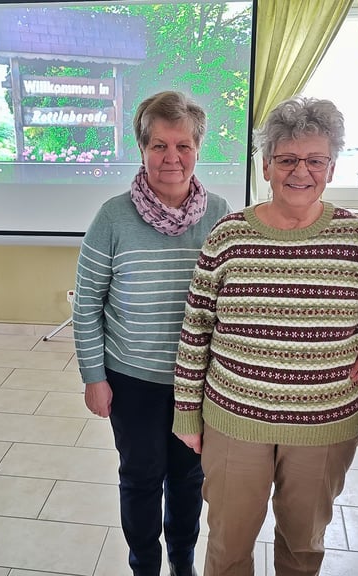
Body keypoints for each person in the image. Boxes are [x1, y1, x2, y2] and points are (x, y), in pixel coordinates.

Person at [173, 96, 358, 576]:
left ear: (332, 167)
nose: (302, 171)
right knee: (228, 548)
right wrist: (187, 414)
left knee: (303, 548)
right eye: (288, 159)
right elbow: (196, 328)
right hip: (234, 417)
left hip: (323, 424)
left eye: (315, 160)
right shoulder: (229, 235)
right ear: (266, 166)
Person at [73, 90, 230, 576]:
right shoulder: (113, 217)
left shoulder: (221, 212)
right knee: (141, 478)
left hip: (198, 383)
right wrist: (94, 377)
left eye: (183, 146)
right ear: (143, 149)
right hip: (132, 379)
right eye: (159, 145)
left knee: (188, 479)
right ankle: (144, 565)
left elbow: (231, 300)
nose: (171, 158)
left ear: (197, 150)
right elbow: (87, 305)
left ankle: (182, 561)